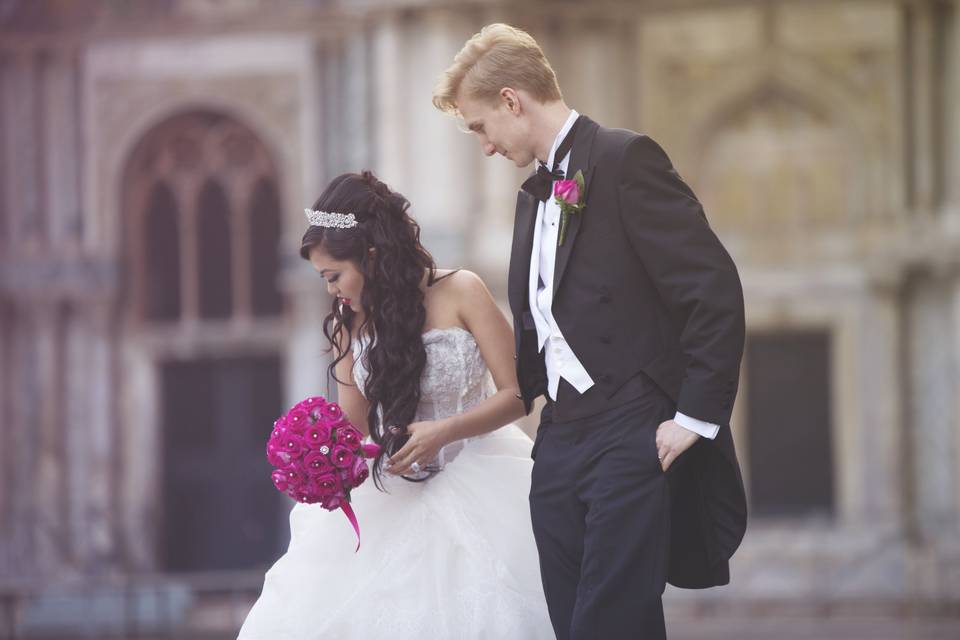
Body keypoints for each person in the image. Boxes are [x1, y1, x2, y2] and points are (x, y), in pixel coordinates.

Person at [432, 23, 749, 640]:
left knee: (611, 622)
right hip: (559, 438)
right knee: (575, 619)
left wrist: (694, 418)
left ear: (510, 102)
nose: (486, 146)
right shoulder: (531, 196)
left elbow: (712, 290)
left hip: (631, 427)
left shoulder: (626, 159)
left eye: (479, 127)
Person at [237, 170, 554, 639]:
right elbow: (354, 425)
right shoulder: (349, 321)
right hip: (393, 495)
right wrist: (316, 450)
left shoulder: (462, 290)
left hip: (482, 480)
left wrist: (446, 431)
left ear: (371, 254)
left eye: (334, 276)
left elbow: (520, 394)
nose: (331, 290)